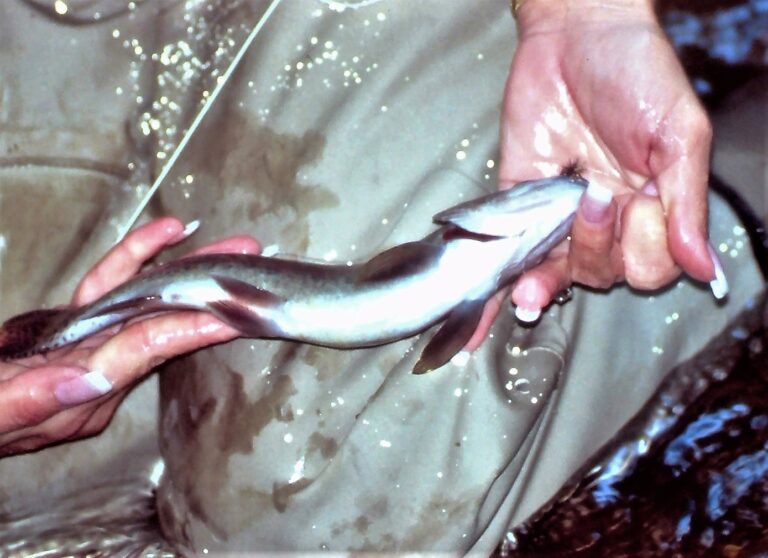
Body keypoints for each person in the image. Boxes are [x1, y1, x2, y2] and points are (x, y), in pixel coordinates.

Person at [0, 0, 761, 553]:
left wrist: (579, 15)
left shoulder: (467, 246)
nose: (563, 193)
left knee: (391, 441)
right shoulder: (470, 256)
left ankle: (740, 195)